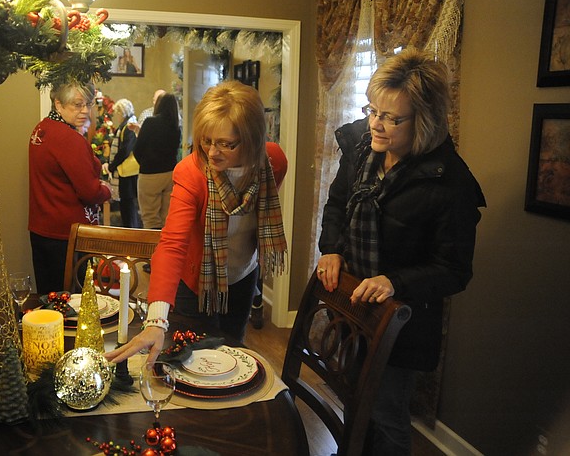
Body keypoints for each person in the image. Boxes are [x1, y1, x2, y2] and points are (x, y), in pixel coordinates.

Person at [316, 47, 485, 455]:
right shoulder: (361, 145)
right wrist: (331, 249)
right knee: (353, 401)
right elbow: (337, 204)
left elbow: (454, 269)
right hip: (352, 304)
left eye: (392, 118)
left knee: (388, 414)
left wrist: (394, 282)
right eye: (373, 110)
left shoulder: (450, 185)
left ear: (424, 121)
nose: (376, 124)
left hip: (401, 322)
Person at [105, 81, 288, 366]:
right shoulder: (191, 172)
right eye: (206, 140)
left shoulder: (273, 162)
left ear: (251, 139)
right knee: (192, 357)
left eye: (226, 144)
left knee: (233, 351)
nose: (212, 152)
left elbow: (260, 212)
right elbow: (172, 243)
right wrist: (155, 320)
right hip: (195, 281)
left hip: (242, 275)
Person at [29, 83, 112, 295]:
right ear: (58, 103)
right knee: (72, 301)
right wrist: (107, 190)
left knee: (49, 297)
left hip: (42, 228)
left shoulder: (41, 129)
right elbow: (90, 192)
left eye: (88, 104)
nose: (85, 111)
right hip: (67, 234)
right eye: (77, 104)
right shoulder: (69, 139)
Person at [133, 92, 181, 231]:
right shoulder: (176, 128)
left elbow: (138, 148)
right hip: (170, 174)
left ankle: (152, 250)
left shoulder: (150, 122)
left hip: (150, 174)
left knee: (150, 218)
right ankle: (166, 249)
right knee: (166, 217)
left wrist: (144, 163)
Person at [103, 99, 140, 228]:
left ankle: (130, 233)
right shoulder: (128, 124)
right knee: (126, 206)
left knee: (128, 206)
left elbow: (125, 150)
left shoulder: (129, 126)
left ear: (122, 112)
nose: (116, 116)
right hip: (126, 172)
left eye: (117, 112)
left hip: (127, 172)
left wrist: (112, 166)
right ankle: (130, 230)